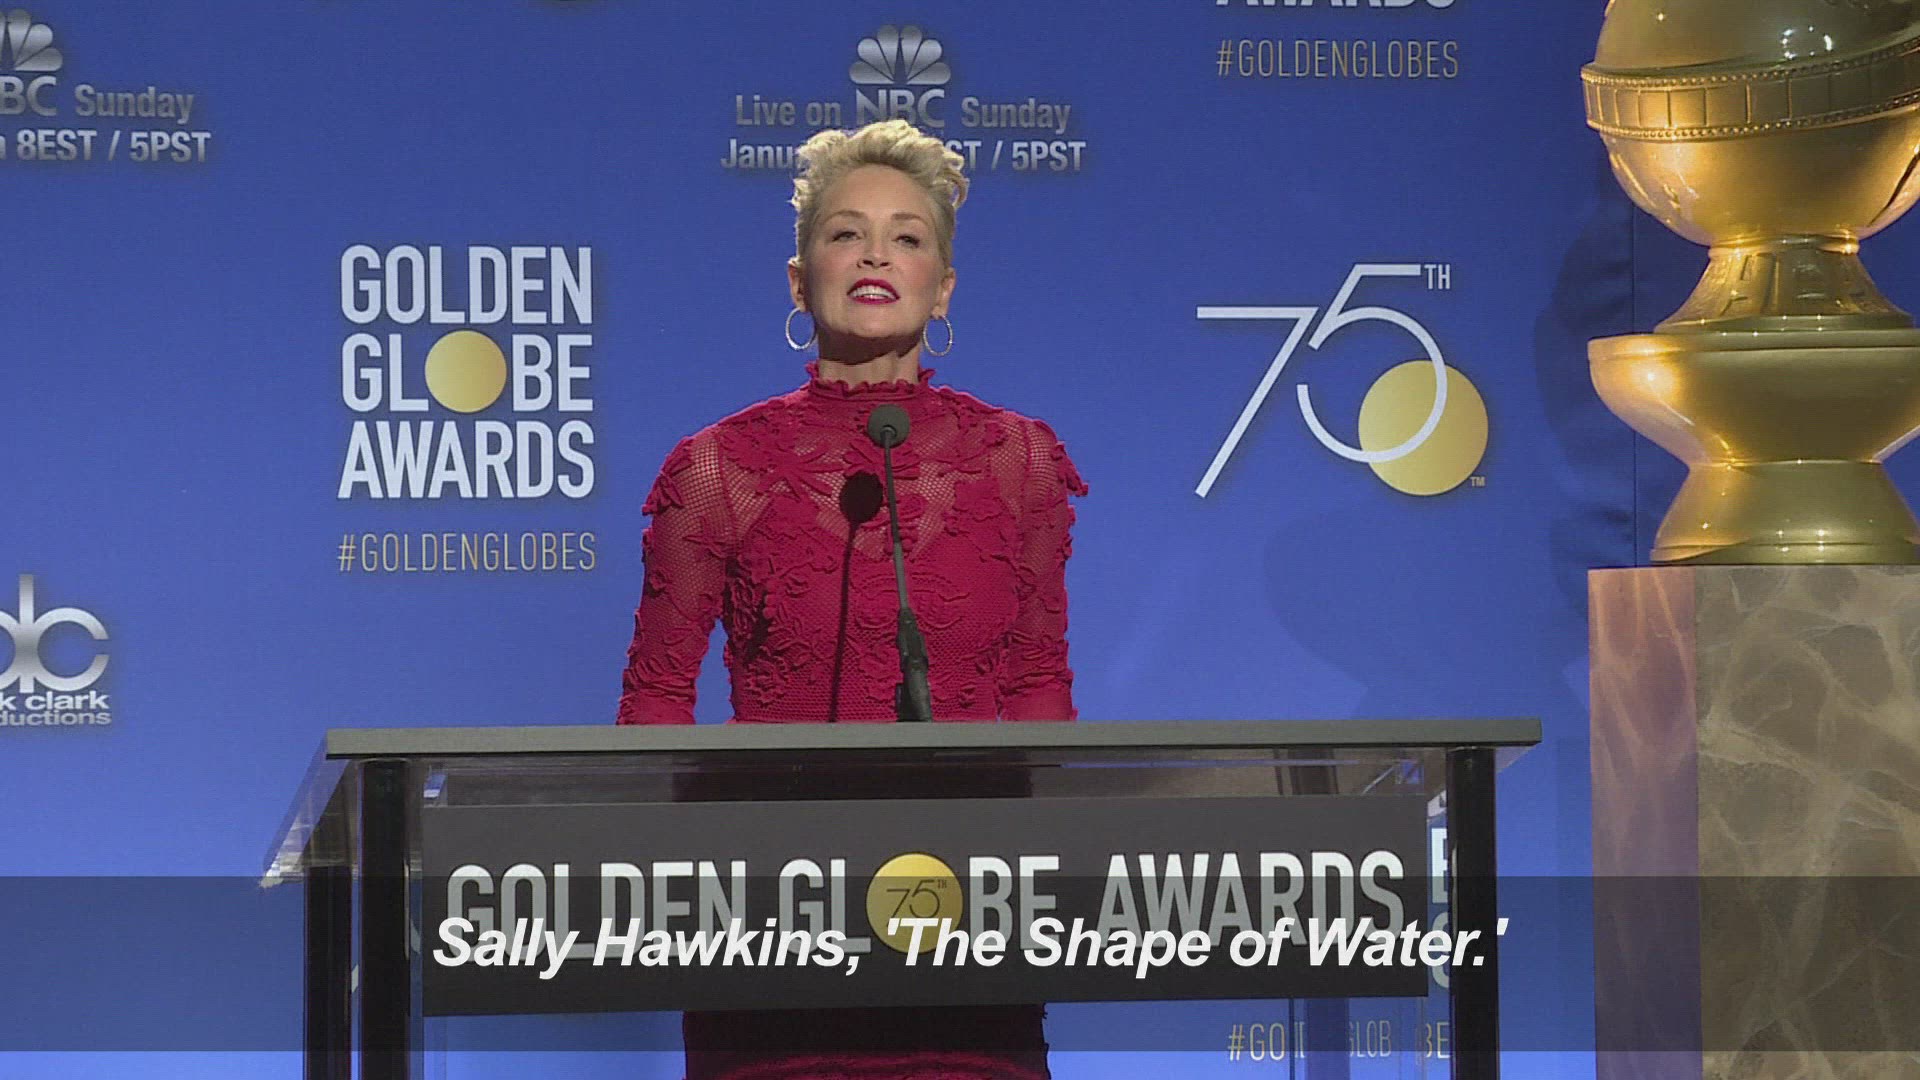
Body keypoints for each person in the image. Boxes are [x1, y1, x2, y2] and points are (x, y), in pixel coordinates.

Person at [616, 120, 1086, 1078]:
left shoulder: (1019, 460)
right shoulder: (718, 467)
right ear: (800, 281)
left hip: (966, 917)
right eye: (846, 233)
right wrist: (689, 894)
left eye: (907, 237)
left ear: (942, 287)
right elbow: (656, 704)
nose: (875, 254)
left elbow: (1040, 686)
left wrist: (1048, 874)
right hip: (774, 927)